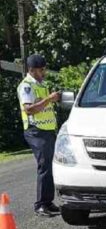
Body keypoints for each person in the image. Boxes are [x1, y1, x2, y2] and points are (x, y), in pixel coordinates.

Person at [16, 54, 61, 217]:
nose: (44, 72)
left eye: (44, 68)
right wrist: (49, 99)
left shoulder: (41, 84)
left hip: (47, 130)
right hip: (35, 131)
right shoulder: (26, 86)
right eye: (41, 69)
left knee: (49, 166)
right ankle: (40, 204)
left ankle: (48, 202)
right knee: (44, 166)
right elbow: (29, 109)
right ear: (32, 70)